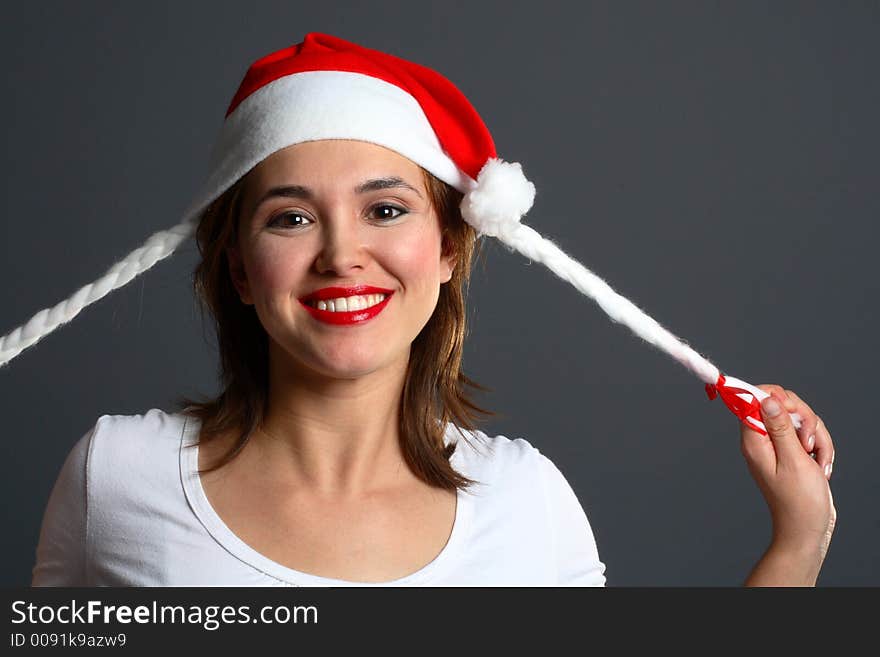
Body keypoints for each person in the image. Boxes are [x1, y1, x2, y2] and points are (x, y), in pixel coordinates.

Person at [28, 33, 835, 586]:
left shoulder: (528, 503)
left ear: (449, 247)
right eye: (291, 216)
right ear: (238, 266)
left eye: (385, 210)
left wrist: (798, 544)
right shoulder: (116, 478)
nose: (342, 254)